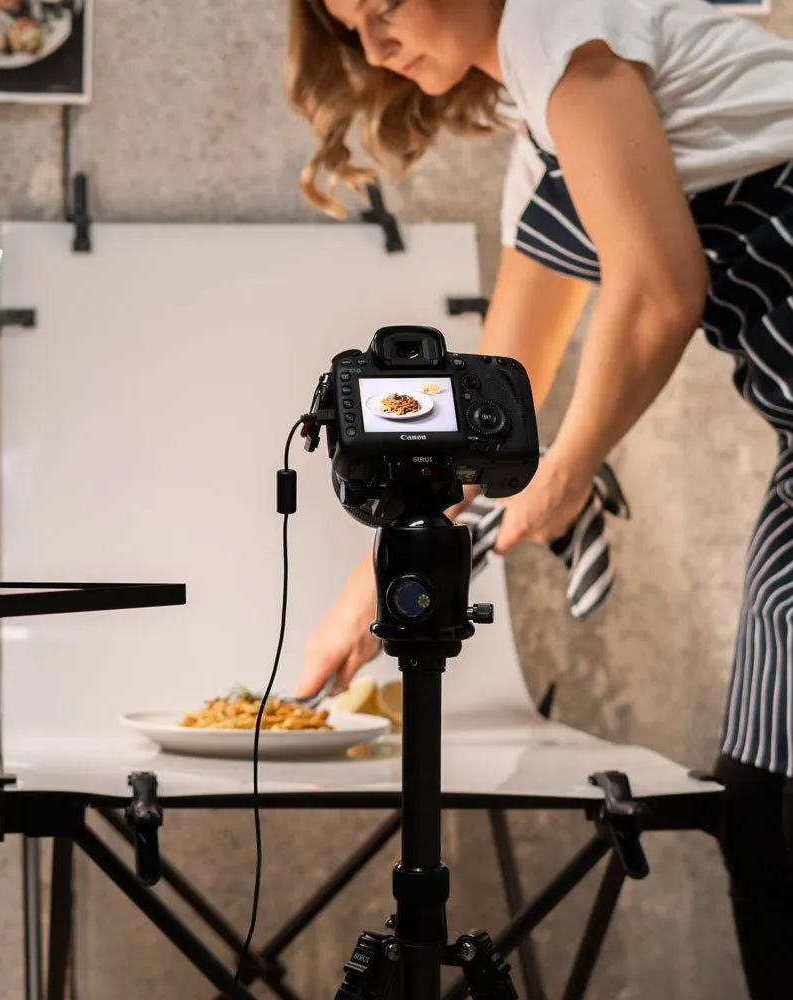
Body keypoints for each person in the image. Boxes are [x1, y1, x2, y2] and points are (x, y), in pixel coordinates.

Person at [283, 1, 793, 996]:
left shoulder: (563, 22)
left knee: (773, 809)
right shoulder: (546, 125)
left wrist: (566, 470)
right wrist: (366, 592)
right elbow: (491, 403)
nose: (376, 43)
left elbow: (659, 288)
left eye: (383, 6)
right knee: (764, 796)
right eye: (352, 29)